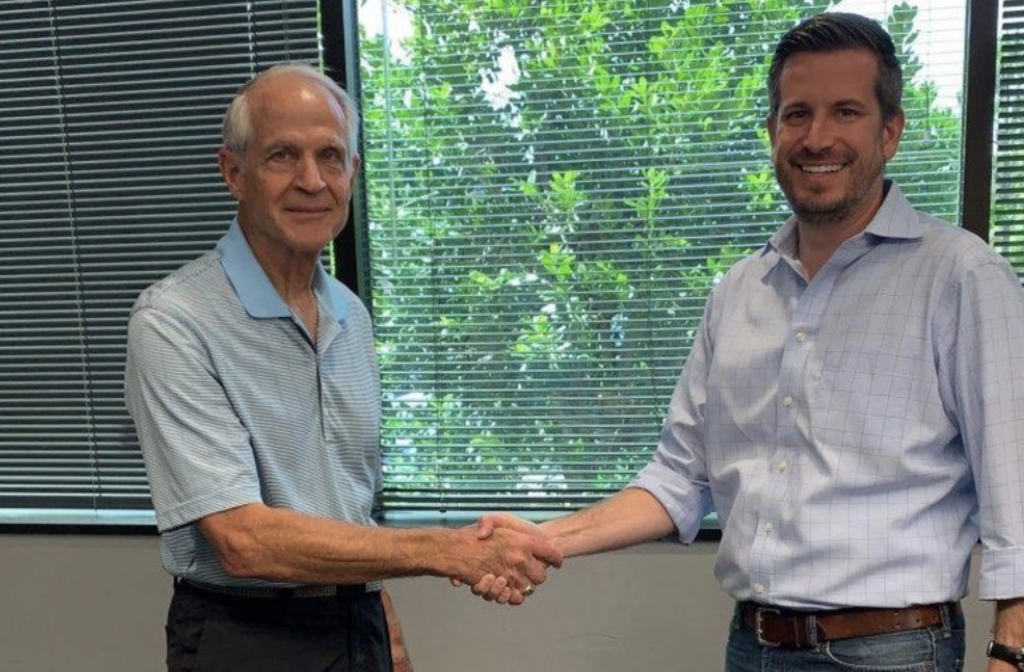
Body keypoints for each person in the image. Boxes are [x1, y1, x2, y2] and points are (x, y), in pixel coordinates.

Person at [467, 12, 1024, 672]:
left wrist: (1011, 652)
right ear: (772, 131)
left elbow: (1014, 485)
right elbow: (679, 478)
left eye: (846, 112)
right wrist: (543, 537)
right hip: (753, 647)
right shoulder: (737, 292)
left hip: (892, 651)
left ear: (890, 131)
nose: (817, 137)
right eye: (797, 114)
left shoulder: (961, 275)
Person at [124, 63, 561, 672]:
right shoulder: (173, 321)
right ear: (233, 173)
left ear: (352, 173)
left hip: (358, 621)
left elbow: (347, 504)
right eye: (282, 155)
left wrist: (385, 623)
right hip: (246, 635)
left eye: (330, 156)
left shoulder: (351, 316)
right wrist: (451, 550)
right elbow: (243, 541)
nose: (311, 180)